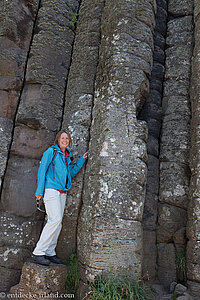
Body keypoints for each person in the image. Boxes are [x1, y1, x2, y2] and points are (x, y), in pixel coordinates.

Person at [30, 130, 88, 265]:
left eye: (67, 138)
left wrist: (81, 161)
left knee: (58, 222)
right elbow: (42, 170)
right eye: (63, 138)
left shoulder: (67, 156)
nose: (65, 140)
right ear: (58, 139)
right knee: (54, 220)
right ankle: (38, 252)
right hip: (51, 190)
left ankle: (50, 252)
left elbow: (70, 174)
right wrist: (39, 191)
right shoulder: (51, 152)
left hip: (62, 192)